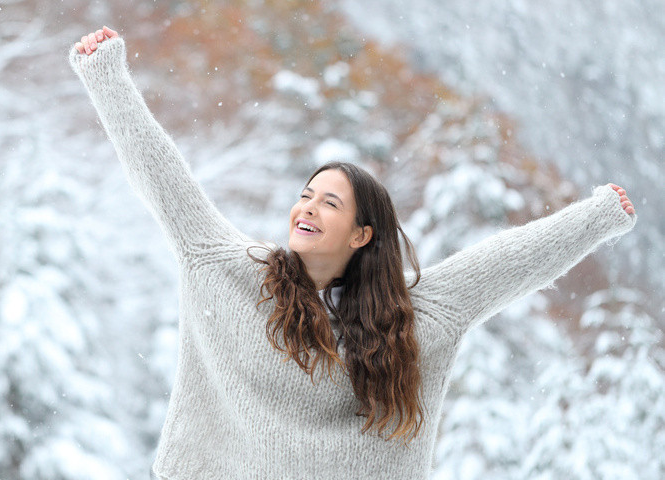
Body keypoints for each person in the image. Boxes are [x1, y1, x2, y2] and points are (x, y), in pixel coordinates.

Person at [69, 26, 637, 480]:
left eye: (329, 203)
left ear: (362, 233)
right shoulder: (229, 273)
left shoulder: (413, 319)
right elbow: (166, 184)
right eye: (305, 196)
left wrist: (599, 214)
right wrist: (107, 78)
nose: (307, 209)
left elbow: (508, 262)